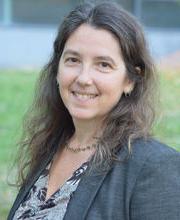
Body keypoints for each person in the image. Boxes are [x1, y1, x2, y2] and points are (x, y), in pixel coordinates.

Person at [8, 1, 180, 219]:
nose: (83, 78)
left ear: (130, 80)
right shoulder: (49, 147)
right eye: (73, 60)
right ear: (57, 69)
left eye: (103, 65)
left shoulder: (154, 167)